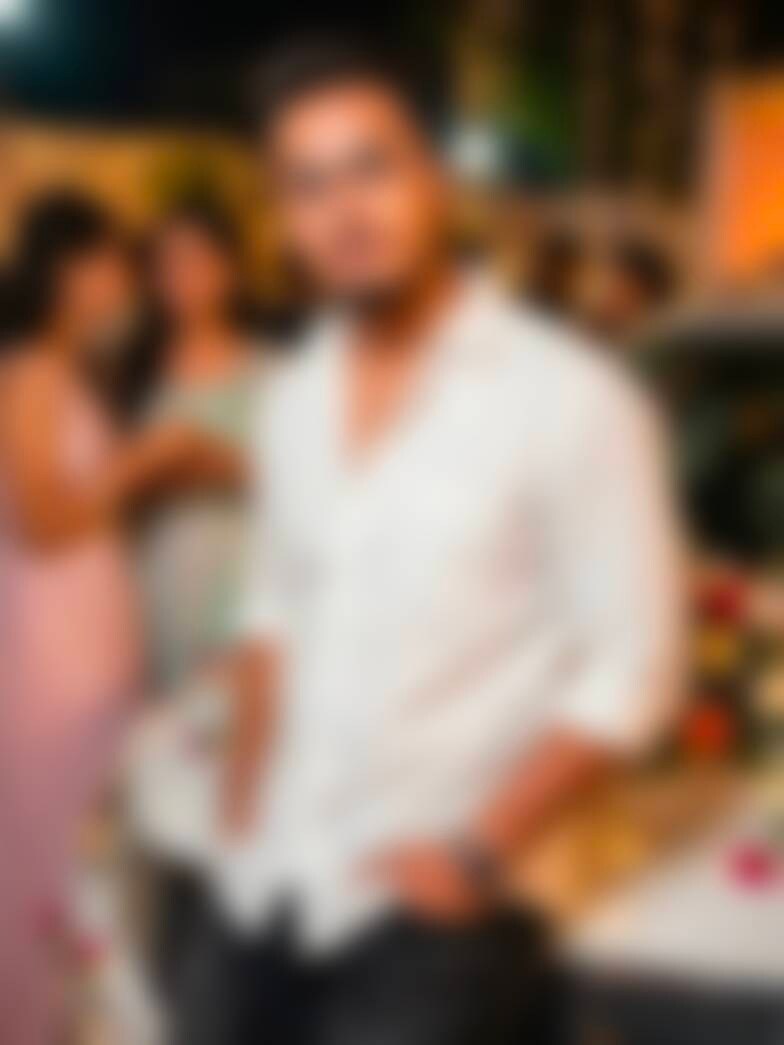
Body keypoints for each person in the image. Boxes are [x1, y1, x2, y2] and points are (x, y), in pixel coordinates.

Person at [178, 41, 685, 1045]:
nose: (345, 209)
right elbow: (273, 607)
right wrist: (239, 812)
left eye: (372, 166)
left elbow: (635, 667)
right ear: (284, 220)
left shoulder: (572, 399)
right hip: (266, 882)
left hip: (433, 916)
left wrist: (478, 854)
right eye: (308, 184)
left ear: (437, 181)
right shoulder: (292, 399)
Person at [0, 190, 234, 1045]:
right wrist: (144, 464)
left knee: (91, 850)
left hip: (84, 640)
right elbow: (42, 518)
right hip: (50, 648)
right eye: (106, 263)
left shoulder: (72, 372)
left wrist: (160, 470)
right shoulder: (32, 371)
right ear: (64, 272)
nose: (123, 281)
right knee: (62, 845)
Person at [134, 199, 261, 1001]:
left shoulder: (271, 372)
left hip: (236, 601)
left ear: (231, 270)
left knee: (223, 798)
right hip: (149, 595)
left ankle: (222, 987)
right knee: (153, 801)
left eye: (199, 259)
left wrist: (215, 462)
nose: (183, 277)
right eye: (167, 262)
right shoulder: (131, 373)